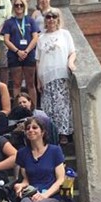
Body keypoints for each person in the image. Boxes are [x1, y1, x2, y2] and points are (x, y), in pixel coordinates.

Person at [36, 8, 76, 145]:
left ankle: (64, 133)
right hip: (46, 77)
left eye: (54, 16)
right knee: (49, 107)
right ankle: (51, 134)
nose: (51, 19)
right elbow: (38, 60)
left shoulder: (65, 34)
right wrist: (38, 80)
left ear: (58, 19)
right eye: (48, 17)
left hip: (61, 75)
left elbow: (72, 52)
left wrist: (70, 63)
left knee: (62, 105)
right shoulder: (41, 38)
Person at [2, 0, 39, 106]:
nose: (19, 7)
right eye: (16, 5)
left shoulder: (30, 20)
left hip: (29, 54)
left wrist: (26, 51)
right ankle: (18, 108)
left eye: (21, 5)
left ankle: (33, 108)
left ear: (24, 6)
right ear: (13, 7)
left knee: (30, 84)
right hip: (14, 55)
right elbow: (6, 39)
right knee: (16, 84)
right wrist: (18, 51)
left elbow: (35, 37)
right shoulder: (9, 22)